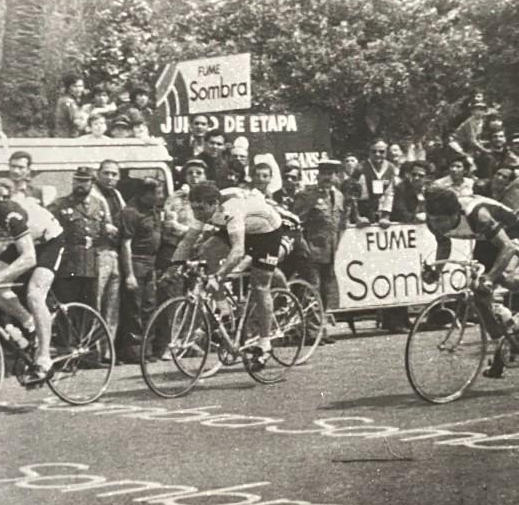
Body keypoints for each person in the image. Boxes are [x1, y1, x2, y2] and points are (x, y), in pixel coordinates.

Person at [421, 187, 519, 379]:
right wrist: (436, 272)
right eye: (433, 220)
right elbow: (444, 244)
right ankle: (502, 343)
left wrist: (490, 278)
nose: (437, 226)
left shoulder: (478, 215)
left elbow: (508, 246)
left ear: (455, 214)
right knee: (478, 293)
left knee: (502, 276)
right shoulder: (433, 220)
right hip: (484, 239)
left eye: (441, 221)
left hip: (511, 234)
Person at [0, 178, 64, 375]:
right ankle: (30, 323)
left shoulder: (11, 214)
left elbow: (29, 258)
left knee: (34, 294)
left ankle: (44, 357)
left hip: (48, 241)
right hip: (21, 243)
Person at [185, 183, 283, 370]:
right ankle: (226, 312)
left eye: (201, 209)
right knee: (206, 250)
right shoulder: (207, 207)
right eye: (194, 209)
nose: (197, 214)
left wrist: (218, 277)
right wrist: (173, 266)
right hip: (243, 226)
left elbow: (238, 251)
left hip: (267, 232)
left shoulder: (231, 210)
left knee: (260, 285)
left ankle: (265, 344)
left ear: (214, 204)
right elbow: (187, 242)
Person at [294, 158, 347, 333]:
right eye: (324, 173)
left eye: (331, 174)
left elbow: (340, 223)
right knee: (312, 290)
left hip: (330, 252)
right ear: (318, 175)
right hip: (311, 251)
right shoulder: (307, 196)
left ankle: (320, 329)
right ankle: (311, 331)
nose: (328, 177)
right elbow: (297, 224)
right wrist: (303, 247)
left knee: (325, 292)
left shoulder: (338, 196)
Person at [118, 179, 163, 362]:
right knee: (134, 309)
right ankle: (134, 352)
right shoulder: (130, 212)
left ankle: (147, 350)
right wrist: (129, 274)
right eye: (158, 193)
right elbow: (126, 245)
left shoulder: (153, 210)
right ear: (147, 194)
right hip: (136, 262)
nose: (161, 196)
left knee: (149, 306)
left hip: (150, 263)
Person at [48, 167, 107, 306]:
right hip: (68, 267)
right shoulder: (60, 205)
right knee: (66, 308)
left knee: (88, 310)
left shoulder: (98, 205)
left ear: (92, 183)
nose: (80, 185)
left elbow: (102, 232)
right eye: (77, 181)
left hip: (91, 267)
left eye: (85, 181)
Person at [92, 160, 126, 347]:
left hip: (115, 252)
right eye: (106, 173)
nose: (110, 177)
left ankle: (108, 350)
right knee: (97, 300)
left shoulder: (116, 195)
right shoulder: (92, 194)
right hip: (99, 252)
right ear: (98, 174)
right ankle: (93, 349)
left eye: (114, 174)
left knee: (112, 304)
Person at [358, 139, 395, 226]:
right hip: (364, 213)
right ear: (369, 152)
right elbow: (356, 196)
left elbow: (389, 194)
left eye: (381, 152)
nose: (377, 154)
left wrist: (385, 216)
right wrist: (359, 217)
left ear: (386, 153)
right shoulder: (361, 168)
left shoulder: (390, 168)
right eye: (374, 151)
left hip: (382, 212)